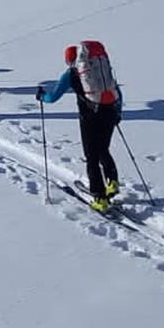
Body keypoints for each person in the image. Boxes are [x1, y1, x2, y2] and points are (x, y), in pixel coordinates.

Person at [38, 41, 123, 213]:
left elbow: (53, 97)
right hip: (110, 111)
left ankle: (100, 197)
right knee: (103, 149)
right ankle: (112, 182)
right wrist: (117, 113)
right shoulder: (101, 70)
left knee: (91, 156)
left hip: (90, 117)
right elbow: (117, 91)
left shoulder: (71, 74)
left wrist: (41, 96)